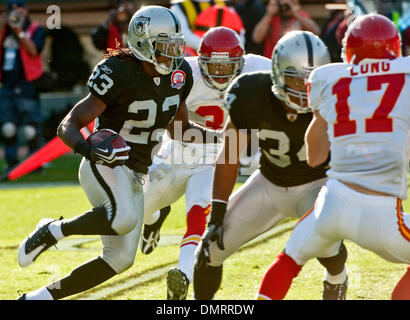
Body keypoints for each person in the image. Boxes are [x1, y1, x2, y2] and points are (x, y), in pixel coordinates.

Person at [15, 6, 216, 300]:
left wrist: (224, 138)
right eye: (163, 48)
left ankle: (37, 298)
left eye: (175, 47)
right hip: (106, 161)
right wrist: (89, 149)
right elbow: (68, 125)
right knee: (123, 219)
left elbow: (182, 131)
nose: (171, 56)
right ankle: (53, 230)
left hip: (136, 171)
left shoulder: (180, 74)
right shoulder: (117, 72)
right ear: (142, 43)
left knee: (120, 260)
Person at [256, 13, 410, 300]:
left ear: (348, 51)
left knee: (287, 261)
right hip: (380, 210)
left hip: (331, 204)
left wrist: (323, 114)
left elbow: (315, 157)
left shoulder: (328, 78)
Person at [193, 30, 349, 301]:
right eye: (295, 80)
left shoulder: (337, 96)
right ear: (277, 72)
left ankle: (337, 278)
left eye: (310, 81)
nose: (304, 91)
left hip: (318, 184)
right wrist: (216, 215)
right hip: (269, 182)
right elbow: (230, 155)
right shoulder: (249, 92)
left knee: (327, 244)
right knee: (210, 249)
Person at [140, 26, 271, 300]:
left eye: (228, 65)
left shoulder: (258, 69)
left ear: (241, 61)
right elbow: (177, 129)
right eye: (215, 65)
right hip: (180, 147)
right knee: (137, 208)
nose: (222, 72)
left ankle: (184, 276)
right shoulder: (184, 73)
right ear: (201, 61)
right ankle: (153, 218)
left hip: (215, 157)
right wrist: (228, 139)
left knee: (200, 212)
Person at [0, 0, 46, 177]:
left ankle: (35, 164)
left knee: (30, 129)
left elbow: (34, 51)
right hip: (7, 84)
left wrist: (19, 33)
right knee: (8, 127)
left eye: (19, 9)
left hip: (27, 83)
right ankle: (12, 165)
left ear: (26, 11)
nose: (16, 13)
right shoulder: (5, 30)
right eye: (12, 10)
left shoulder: (35, 29)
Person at [252, 0, 320, 59]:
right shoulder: (271, 18)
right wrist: (269, 14)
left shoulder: (300, 15)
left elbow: (316, 32)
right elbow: (256, 38)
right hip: (272, 60)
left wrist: (295, 13)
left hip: (296, 60)